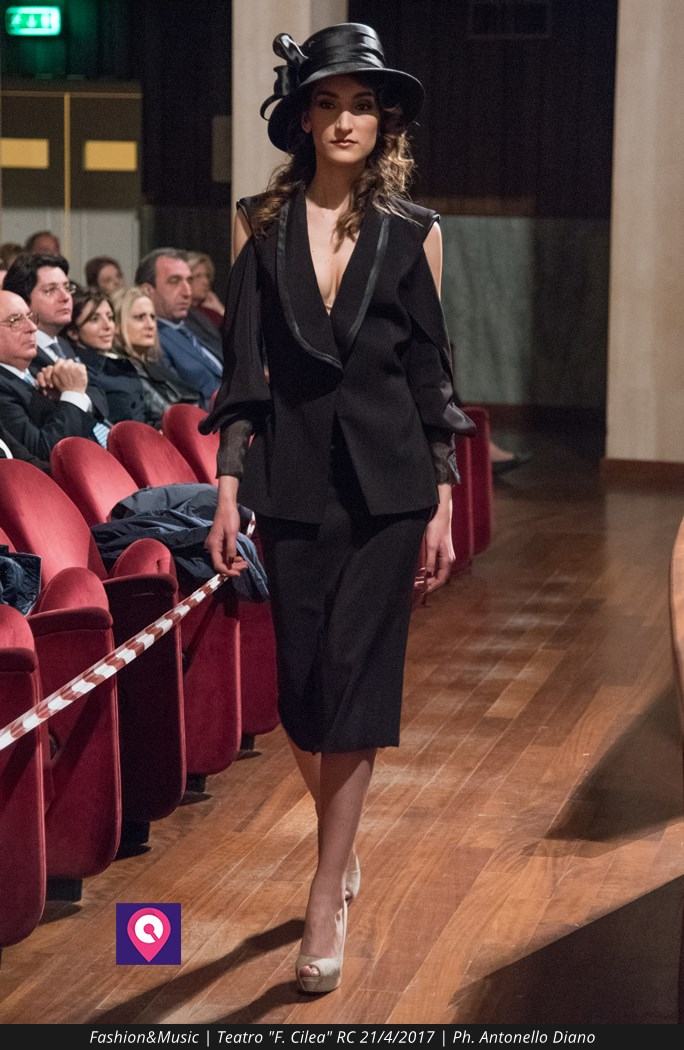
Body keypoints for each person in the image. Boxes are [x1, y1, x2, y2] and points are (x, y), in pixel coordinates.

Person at [202, 23, 470, 995]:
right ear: (304, 118)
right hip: (290, 485)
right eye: (328, 103)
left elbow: (433, 375)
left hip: (392, 490)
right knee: (301, 695)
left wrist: (442, 495)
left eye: (362, 104)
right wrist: (228, 486)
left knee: (357, 684)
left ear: (382, 119)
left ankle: (325, 893)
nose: (346, 120)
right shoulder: (257, 224)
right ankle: (340, 841)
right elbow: (243, 374)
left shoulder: (416, 231)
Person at [0, 289, 101, 459]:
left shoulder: (40, 370)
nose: (32, 327)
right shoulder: (2, 388)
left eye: (30, 317)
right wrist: (73, 395)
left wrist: (63, 398)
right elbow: (45, 453)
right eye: (15, 320)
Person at [134, 248, 223, 409]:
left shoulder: (197, 319)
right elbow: (182, 401)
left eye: (189, 281)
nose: (187, 292)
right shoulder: (149, 337)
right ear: (147, 291)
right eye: (174, 281)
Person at [116, 286, 202, 426]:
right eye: (140, 317)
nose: (150, 325)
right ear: (117, 325)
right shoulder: (119, 373)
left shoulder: (155, 366)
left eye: (152, 317)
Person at [63, 289, 147, 424]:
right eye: (94, 319)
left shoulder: (119, 363)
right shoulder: (81, 375)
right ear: (73, 332)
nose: (107, 326)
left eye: (110, 317)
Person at [188, 251, 225, 328]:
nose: (206, 282)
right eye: (198, 276)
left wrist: (220, 309)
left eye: (207, 276)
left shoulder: (211, 313)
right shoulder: (179, 315)